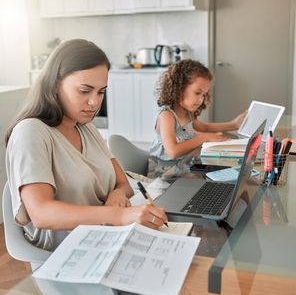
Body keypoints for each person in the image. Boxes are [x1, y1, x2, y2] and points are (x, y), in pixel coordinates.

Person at [5, 39, 167, 252]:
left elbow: (123, 184)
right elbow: (42, 213)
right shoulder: (31, 132)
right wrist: (119, 216)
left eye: (101, 92)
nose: (95, 102)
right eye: (84, 91)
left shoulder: (86, 127)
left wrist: (117, 196)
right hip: (64, 252)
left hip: (105, 237)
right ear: (55, 85)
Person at [150, 59, 247, 176]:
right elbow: (173, 152)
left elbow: (205, 127)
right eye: (197, 93)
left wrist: (234, 124)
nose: (201, 99)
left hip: (186, 166)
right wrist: (205, 137)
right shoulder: (167, 115)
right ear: (179, 88)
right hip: (167, 173)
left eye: (204, 94)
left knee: (231, 172)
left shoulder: (187, 113)